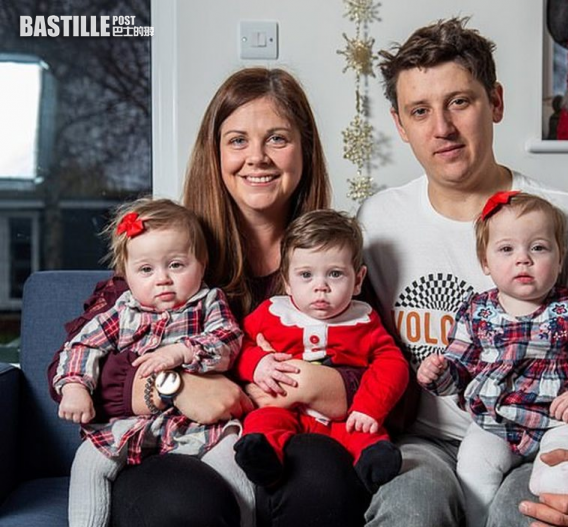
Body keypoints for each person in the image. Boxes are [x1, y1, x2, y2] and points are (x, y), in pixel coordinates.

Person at [357, 17, 568, 527]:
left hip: (542, 440)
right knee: (408, 512)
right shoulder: (377, 222)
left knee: (526, 514)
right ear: (400, 125)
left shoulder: (566, 220)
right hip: (426, 443)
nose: (442, 128)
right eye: (420, 111)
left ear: (495, 102)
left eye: (460, 102)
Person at [48, 68, 370, 527]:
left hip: (289, 435)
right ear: (214, 153)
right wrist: (175, 387)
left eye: (277, 138)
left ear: (305, 150)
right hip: (171, 448)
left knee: (323, 479)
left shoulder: (335, 258)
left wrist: (324, 386)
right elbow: (72, 364)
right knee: (185, 506)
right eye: (238, 140)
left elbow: (388, 374)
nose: (257, 157)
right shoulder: (171, 251)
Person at [416, 191, 568, 527]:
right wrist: (439, 373)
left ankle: (555, 482)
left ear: (560, 258)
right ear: (485, 262)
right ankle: (477, 519)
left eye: (538, 248)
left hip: (561, 419)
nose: (523, 259)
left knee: (564, 459)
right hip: (496, 421)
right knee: (473, 464)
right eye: (506, 249)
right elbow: (460, 367)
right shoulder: (477, 311)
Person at [53, 198, 247, 527]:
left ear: (201, 264)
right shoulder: (122, 312)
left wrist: (183, 352)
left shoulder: (208, 303)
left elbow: (228, 339)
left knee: (233, 458)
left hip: (200, 427)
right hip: (131, 426)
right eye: (146, 269)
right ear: (125, 275)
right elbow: (83, 345)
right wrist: (74, 386)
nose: (162, 279)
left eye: (176, 265)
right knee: (88, 460)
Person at [234, 209, 408, 493]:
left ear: (358, 280)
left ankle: (373, 462)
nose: (320, 287)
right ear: (287, 280)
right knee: (262, 422)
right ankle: (264, 459)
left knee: (365, 433)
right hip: (284, 410)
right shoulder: (272, 313)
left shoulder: (364, 322)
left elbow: (392, 364)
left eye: (335, 274)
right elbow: (238, 344)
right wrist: (258, 364)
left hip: (344, 418)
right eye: (306, 275)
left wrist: (369, 407)